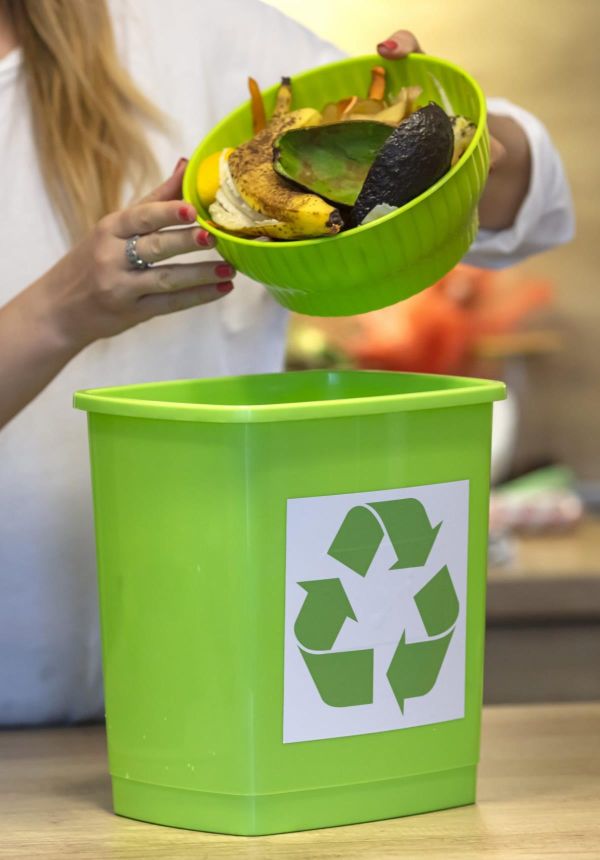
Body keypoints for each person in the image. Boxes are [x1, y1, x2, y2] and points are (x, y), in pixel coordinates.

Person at [0, 0, 573, 726]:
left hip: (219, 689)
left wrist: (467, 146)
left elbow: (530, 204)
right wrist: (57, 312)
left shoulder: (190, 29)